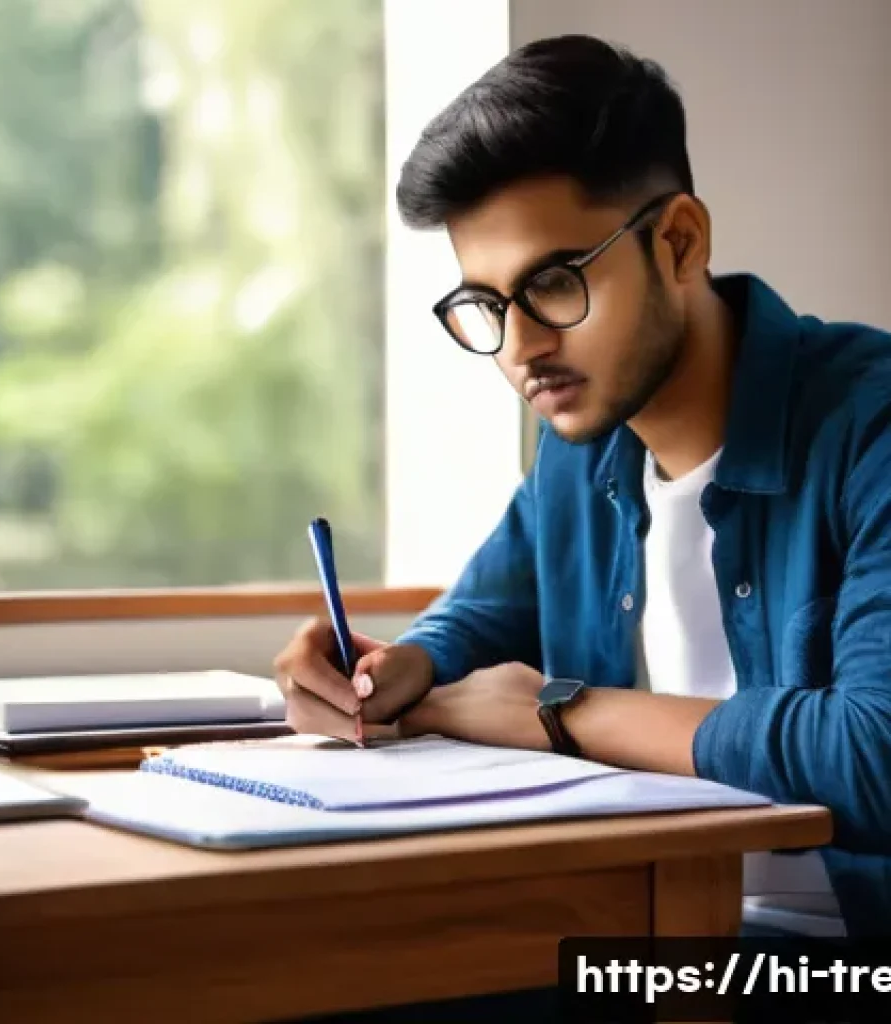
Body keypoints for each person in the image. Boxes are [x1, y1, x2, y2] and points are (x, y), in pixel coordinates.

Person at [274, 33, 891, 1009]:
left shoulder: (871, 423)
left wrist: (561, 712)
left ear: (679, 241)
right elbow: (480, 615)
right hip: (634, 934)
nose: (518, 347)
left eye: (554, 283)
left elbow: (872, 752)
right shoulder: (582, 450)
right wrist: (395, 669)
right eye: (485, 303)